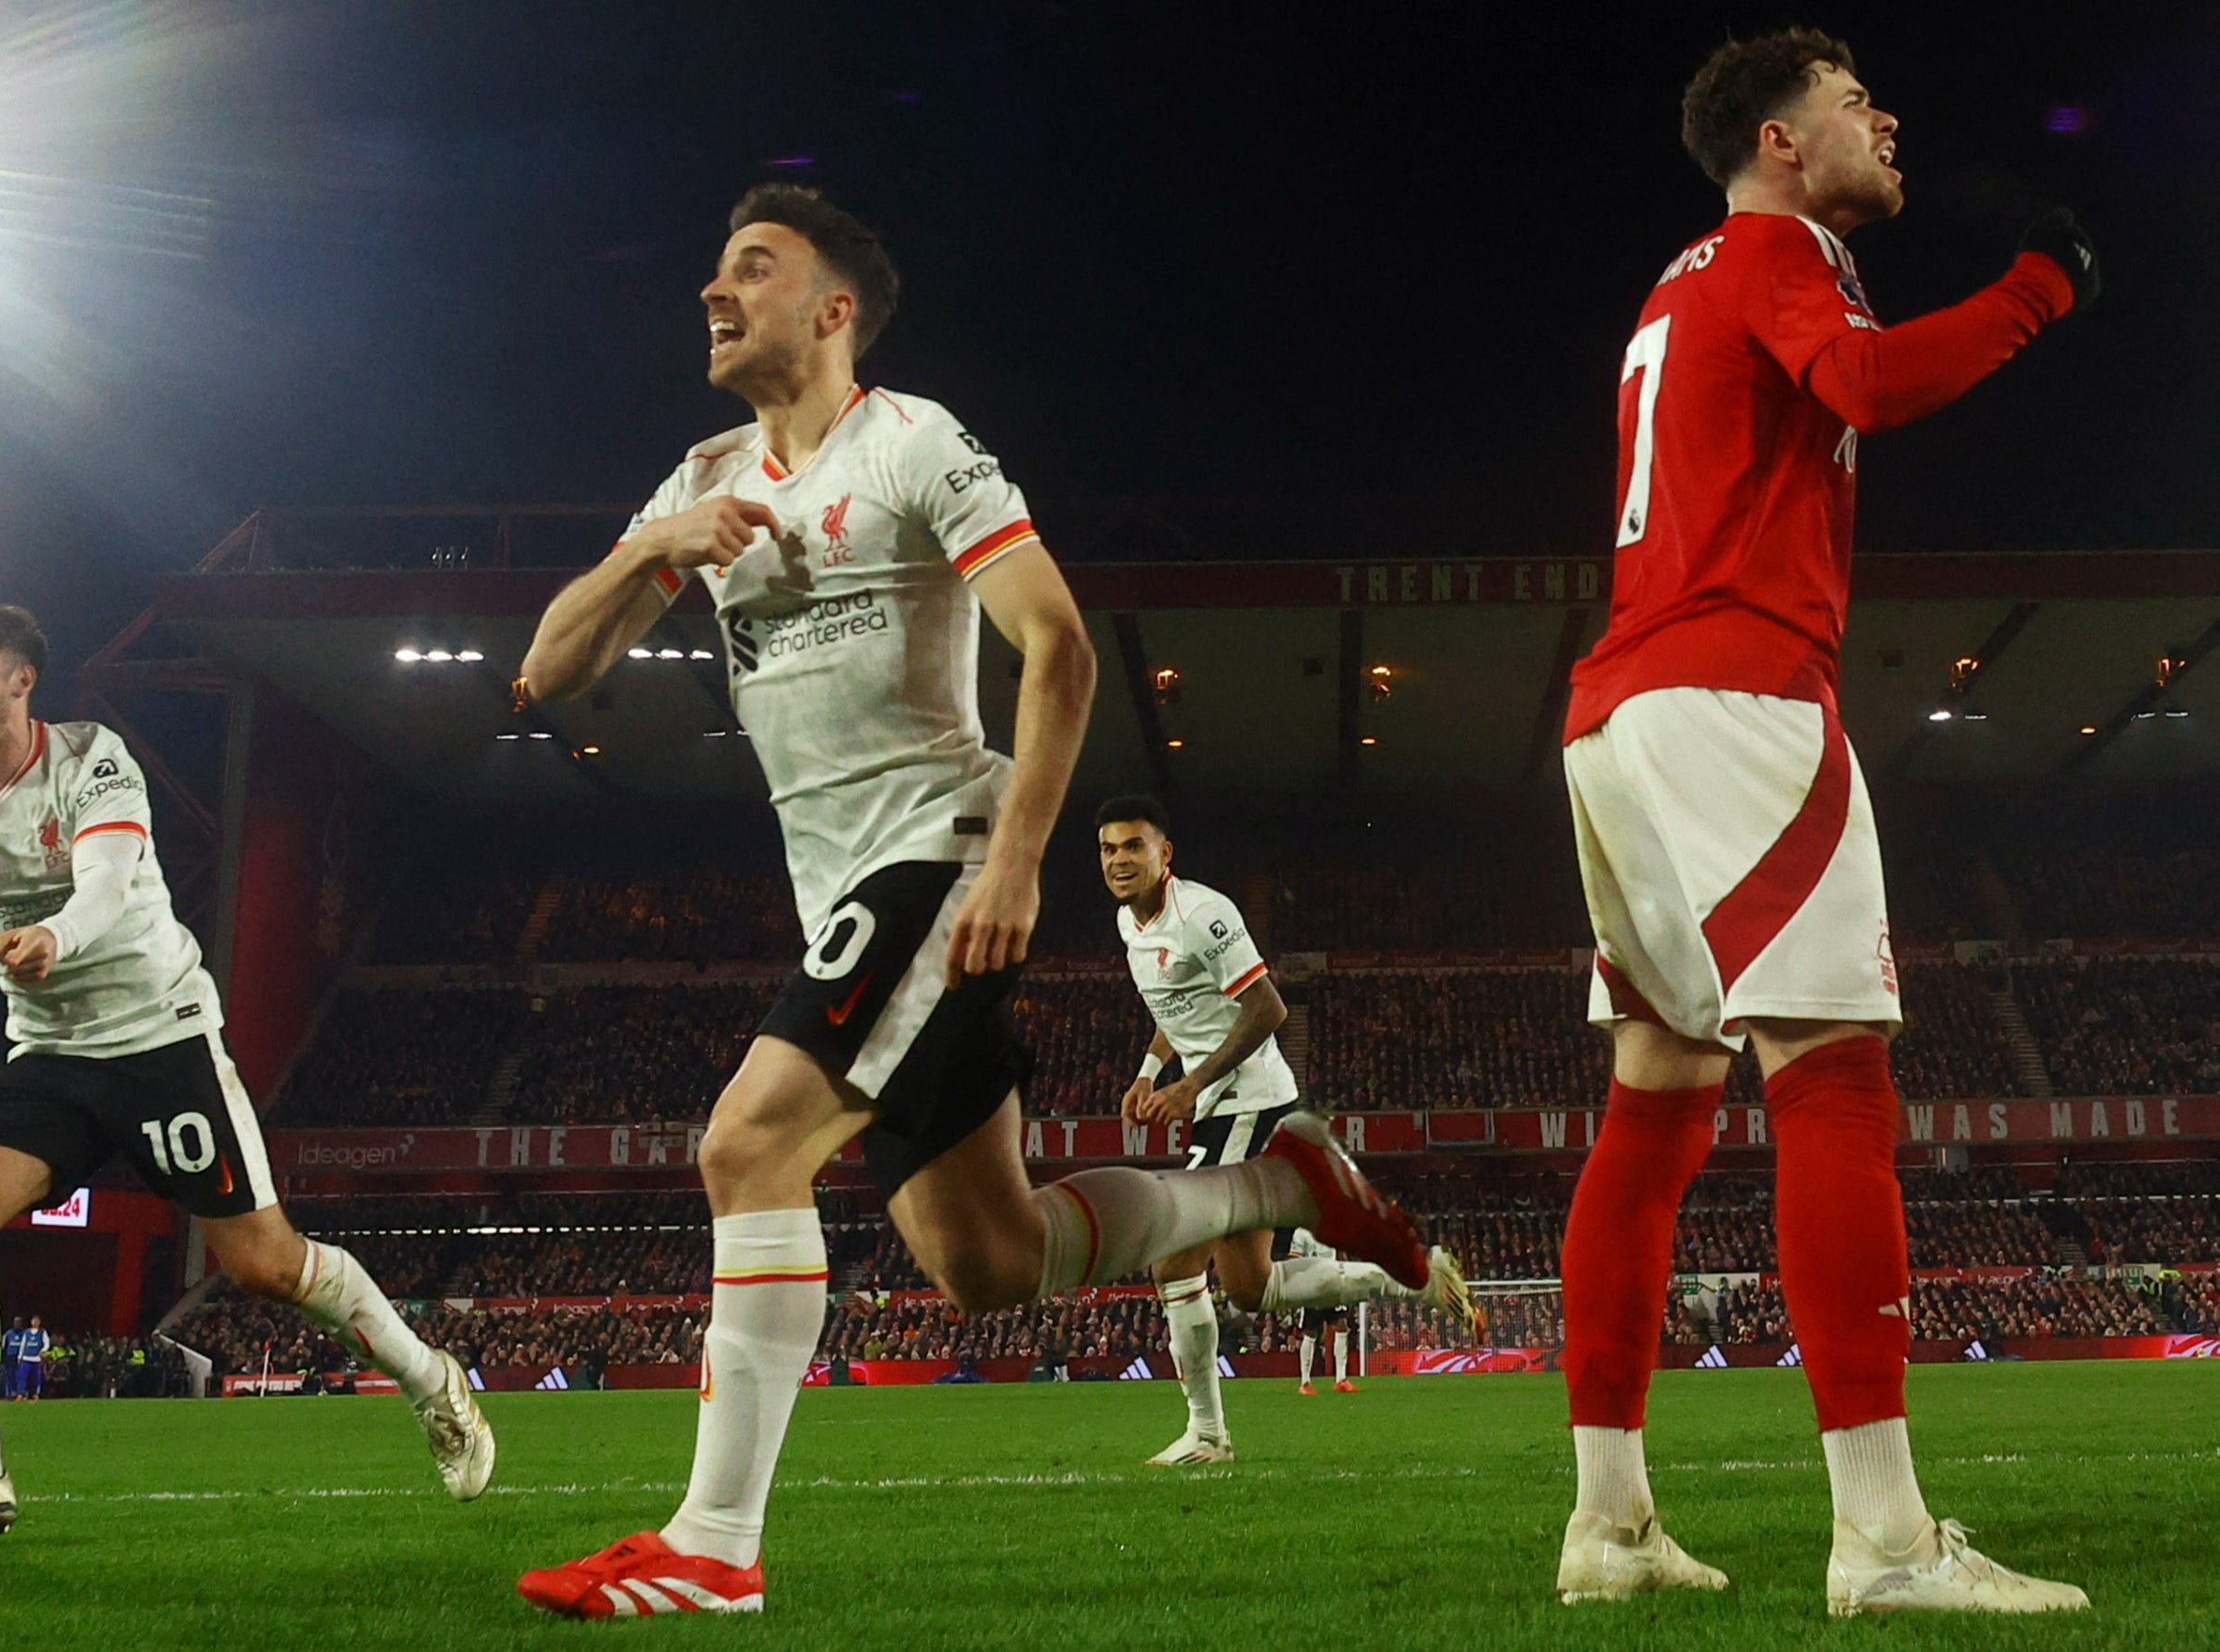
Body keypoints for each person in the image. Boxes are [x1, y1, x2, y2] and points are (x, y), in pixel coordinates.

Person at [511, 184, 1430, 1620]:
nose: (712, 288)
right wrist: (650, 548)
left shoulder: (912, 442)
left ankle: (714, 1543)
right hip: (840, 890)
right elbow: (545, 674)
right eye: (712, 266)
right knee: (987, 1262)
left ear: (832, 310)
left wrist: (1011, 856)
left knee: (744, 1146)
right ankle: (1274, 1180)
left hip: (936, 852)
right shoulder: (697, 477)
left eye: (750, 267)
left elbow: (1056, 647)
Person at [1554, 29, 2094, 1615]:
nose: (1888, 119)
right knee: (1836, 1079)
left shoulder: (1682, 281)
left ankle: (1612, 1519)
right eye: (1858, 102)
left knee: (1653, 1106)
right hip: (1736, 694)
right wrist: (2035, 292)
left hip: (1618, 715)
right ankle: (1884, 1537)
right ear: (1782, 142)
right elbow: (1861, 382)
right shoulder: (1780, 250)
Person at [0, 600, 495, 1544]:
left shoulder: (90, 758)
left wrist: (56, 936)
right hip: (53, 1057)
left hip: (161, 1039)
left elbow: (110, 885)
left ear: (19, 678)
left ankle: (429, 1377)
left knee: (267, 1264)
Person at [1097, 796, 1479, 1465]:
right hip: (1221, 1105)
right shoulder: (1131, 926)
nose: (1120, 860)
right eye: (1108, 849)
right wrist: (1149, 1070)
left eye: (1133, 846)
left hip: (1248, 1100)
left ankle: (1209, 1435)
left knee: (1173, 1260)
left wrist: (1191, 1084)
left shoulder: (1205, 914)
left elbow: (1267, 1007)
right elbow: (1179, 1005)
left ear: (1165, 854)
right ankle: (1411, 1275)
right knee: (1250, 1288)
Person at [1287, 1233, 1358, 1395]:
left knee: (1341, 1326)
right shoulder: (1301, 1232)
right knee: (1311, 1331)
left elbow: (1341, 1254)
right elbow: (1294, 1260)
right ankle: (1305, 1382)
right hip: (1312, 1287)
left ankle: (1341, 1379)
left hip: (1331, 1285)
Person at [10, 1316, 50, 1401]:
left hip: (36, 1359)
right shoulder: (27, 1332)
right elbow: (23, 1344)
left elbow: (46, 1343)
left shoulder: (42, 1332)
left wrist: (42, 1351)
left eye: (37, 1321)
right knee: (22, 1377)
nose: (35, 1323)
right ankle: (20, 1394)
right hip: (26, 1358)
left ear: (39, 1322)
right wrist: (20, 1356)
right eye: (34, 1321)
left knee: (36, 1378)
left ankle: (35, 1394)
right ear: (31, 1322)